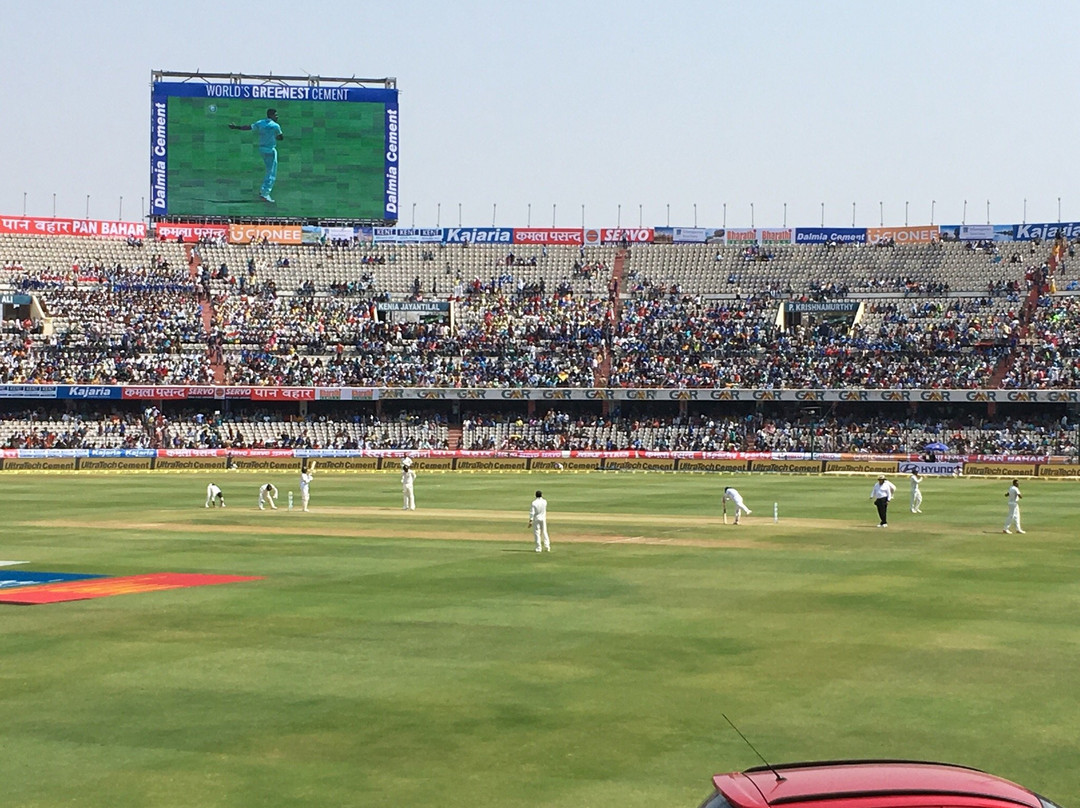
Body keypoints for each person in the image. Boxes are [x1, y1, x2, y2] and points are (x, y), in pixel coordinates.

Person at [229, 108, 284, 203]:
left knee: (268, 170)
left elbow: (248, 127)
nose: (277, 116)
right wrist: (274, 136)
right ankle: (265, 193)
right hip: (270, 150)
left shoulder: (261, 123)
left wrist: (235, 127)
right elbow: (281, 138)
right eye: (275, 115)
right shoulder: (275, 126)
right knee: (271, 172)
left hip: (262, 149)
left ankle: (263, 191)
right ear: (271, 115)